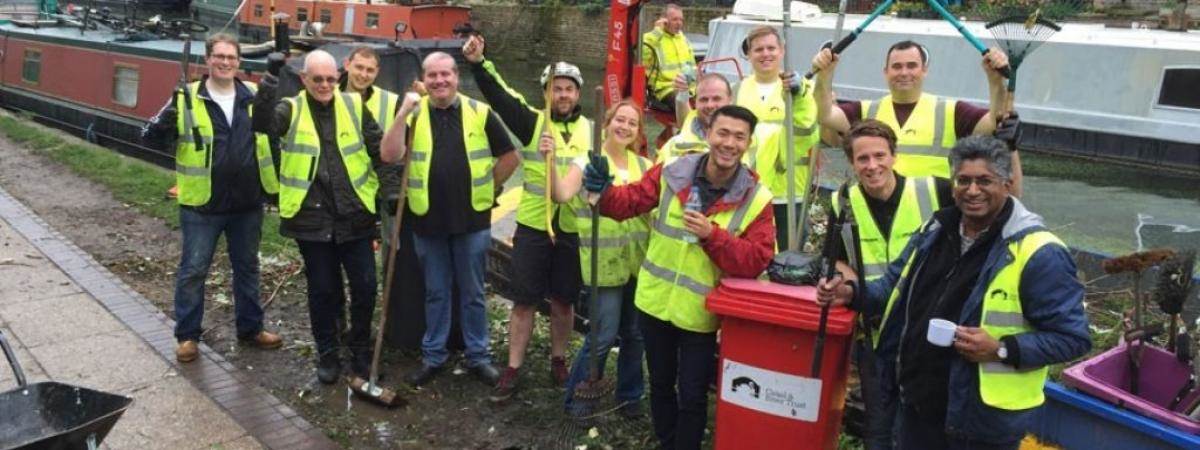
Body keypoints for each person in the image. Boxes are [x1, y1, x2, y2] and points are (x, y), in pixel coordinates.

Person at [817, 136, 1091, 450]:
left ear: (1007, 183)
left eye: (984, 181)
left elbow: (1073, 338)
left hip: (980, 424)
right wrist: (849, 293)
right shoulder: (935, 230)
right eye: (963, 180)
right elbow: (892, 287)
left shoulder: (1037, 252)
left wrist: (1001, 348)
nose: (972, 191)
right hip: (918, 407)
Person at [586, 105, 776, 450]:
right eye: (723, 133)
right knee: (659, 383)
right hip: (655, 302)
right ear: (708, 134)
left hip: (700, 315)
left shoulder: (756, 198)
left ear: (748, 144)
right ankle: (666, 440)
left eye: (738, 137)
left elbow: (756, 260)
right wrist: (602, 190)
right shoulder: (674, 172)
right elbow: (627, 203)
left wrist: (711, 236)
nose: (729, 143)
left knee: (692, 394)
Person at [380, 52, 519, 388]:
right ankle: (434, 355)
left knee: (472, 292)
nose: (439, 81)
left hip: (472, 222)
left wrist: (488, 188)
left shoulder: (479, 112)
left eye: (445, 74)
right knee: (436, 292)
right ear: (424, 81)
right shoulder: (414, 114)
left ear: (456, 77)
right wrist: (401, 114)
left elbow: (510, 157)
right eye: (432, 76)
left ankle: (478, 357)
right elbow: (389, 154)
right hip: (427, 222)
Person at [142, 33, 283, 363]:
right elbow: (149, 137)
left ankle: (251, 328)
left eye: (231, 57)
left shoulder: (252, 97)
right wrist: (167, 120)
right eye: (219, 56)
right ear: (207, 60)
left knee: (247, 268)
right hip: (202, 204)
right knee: (193, 270)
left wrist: (273, 191)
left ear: (238, 62)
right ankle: (188, 336)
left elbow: (270, 143)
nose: (225, 62)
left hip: (247, 203)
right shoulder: (186, 97)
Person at [252, 49, 391, 383]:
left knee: (365, 287)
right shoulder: (291, 108)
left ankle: (359, 352)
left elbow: (379, 150)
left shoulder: (355, 106)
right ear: (304, 79)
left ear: (339, 78)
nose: (325, 85)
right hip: (311, 220)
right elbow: (262, 123)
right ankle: (327, 354)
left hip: (355, 215)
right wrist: (270, 78)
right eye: (318, 79)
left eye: (331, 79)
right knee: (322, 290)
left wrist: (390, 191)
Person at [461, 35, 586, 400]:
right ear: (546, 93)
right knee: (525, 299)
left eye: (568, 89)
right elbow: (501, 94)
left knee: (564, 300)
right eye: (556, 89)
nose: (562, 95)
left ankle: (559, 359)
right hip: (533, 224)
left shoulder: (587, 129)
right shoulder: (532, 122)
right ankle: (513, 367)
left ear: (577, 95)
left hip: (570, 226)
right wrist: (480, 63)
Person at [824, 119, 952, 450]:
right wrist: (846, 287)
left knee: (923, 424)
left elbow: (1001, 202)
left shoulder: (936, 191)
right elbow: (836, 258)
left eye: (880, 156)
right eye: (862, 159)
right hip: (875, 333)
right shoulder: (843, 201)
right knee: (878, 426)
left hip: (924, 333)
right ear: (852, 163)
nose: (872, 166)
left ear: (894, 155)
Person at [541, 99, 651, 419]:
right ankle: (578, 401)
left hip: (638, 262)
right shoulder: (588, 161)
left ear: (638, 132)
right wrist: (548, 161)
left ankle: (630, 397)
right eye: (620, 119)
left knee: (635, 334)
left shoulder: (644, 165)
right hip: (603, 263)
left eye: (632, 123)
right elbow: (561, 194)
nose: (625, 127)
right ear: (607, 122)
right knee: (603, 335)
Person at [811, 40, 1024, 194]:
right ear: (886, 72)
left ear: (925, 71)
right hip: (878, 214)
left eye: (912, 66)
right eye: (897, 66)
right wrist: (824, 75)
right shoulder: (865, 111)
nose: (904, 72)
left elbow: (994, 122)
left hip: (933, 224)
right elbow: (825, 114)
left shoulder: (951, 111)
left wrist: (995, 81)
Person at [731, 26, 819, 249]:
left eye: (771, 48)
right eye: (758, 49)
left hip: (789, 190)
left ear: (782, 51)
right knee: (751, 255)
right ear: (749, 55)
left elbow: (808, 130)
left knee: (789, 259)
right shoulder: (738, 90)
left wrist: (799, 95)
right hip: (748, 190)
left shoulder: (802, 88)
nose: (765, 54)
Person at [642, 3, 695, 115]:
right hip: (666, 89)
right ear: (664, 20)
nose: (679, 23)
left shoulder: (684, 39)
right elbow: (642, 58)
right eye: (675, 19)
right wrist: (657, 32)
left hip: (688, 87)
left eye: (681, 20)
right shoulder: (652, 37)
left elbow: (692, 65)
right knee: (684, 106)